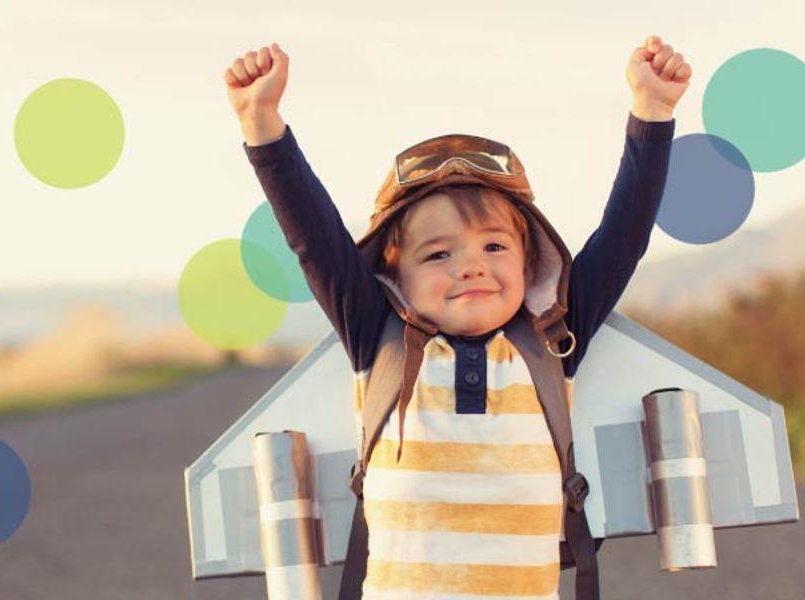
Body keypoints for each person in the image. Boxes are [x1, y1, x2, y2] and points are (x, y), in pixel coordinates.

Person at [224, 36, 691, 599]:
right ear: (397, 276)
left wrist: (652, 112)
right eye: (439, 254)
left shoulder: (551, 341)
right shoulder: (379, 338)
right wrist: (262, 122)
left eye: (494, 247)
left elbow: (625, 235)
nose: (471, 268)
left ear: (529, 260)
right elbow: (313, 240)